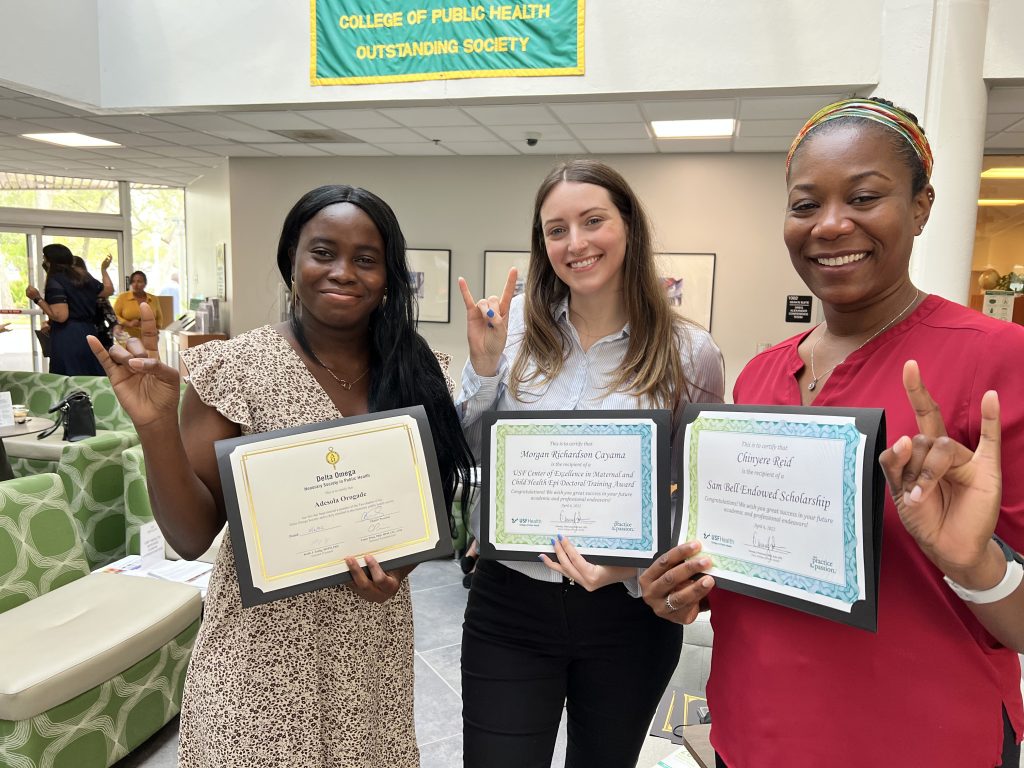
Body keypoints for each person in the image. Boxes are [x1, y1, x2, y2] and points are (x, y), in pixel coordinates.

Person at [640, 98, 1024, 767]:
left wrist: (973, 563)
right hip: (753, 730)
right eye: (806, 204)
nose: (831, 224)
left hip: (921, 740)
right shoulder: (761, 375)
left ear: (922, 206)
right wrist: (686, 590)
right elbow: (748, 570)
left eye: (865, 196)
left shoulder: (998, 361)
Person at [88, 184, 475, 767]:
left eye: (365, 259)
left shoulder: (420, 372)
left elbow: (421, 511)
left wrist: (401, 566)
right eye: (323, 252)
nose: (343, 271)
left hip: (367, 650)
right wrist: (156, 427)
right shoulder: (237, 368)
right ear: (291, 262)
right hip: (258, 657)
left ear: (389, 276)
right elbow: (190, 536)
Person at [456, 159, 725, 767]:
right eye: (556, 230)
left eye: (593, 221)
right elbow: (473, 457)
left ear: (629, 227)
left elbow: (695, 496)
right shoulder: (514, 329)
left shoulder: (690, 352)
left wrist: (629, 567)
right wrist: (483, 368)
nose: (575, 243)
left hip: (627, 615)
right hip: (511, 602)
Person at [25, 244, 113, 375]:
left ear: (50, 261)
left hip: (68, 335)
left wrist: (37, 298)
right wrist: (104, 270)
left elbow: (60, 316)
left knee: (68, 377)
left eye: (44, 259)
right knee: (89, 375)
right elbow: (108, 290)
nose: (44, 262)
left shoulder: (55, 280)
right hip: (89, 332)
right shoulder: (83, 276)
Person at [114, 269, 163, 338]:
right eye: (133, 282)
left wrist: (156, 329)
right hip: (128, 338)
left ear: (145, 284)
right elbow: (115, 315)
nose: (136, 285)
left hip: (149, 338)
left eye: (139, 281)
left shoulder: (153, 299)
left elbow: (159, 318)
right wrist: (128, 323)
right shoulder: (122, 298)